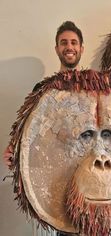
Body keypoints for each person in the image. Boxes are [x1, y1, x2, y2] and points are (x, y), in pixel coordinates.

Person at [3, 21, 84, 236]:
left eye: (74, 42)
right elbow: (30, 129)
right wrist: (15, 149)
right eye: (64, 42)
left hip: (88, 172)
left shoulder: (95, 87)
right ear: (57, 48)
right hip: (56, 177)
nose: (69, 47)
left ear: (81, 48)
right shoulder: (42, 90)